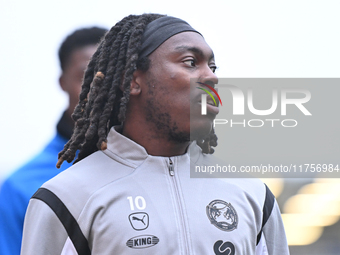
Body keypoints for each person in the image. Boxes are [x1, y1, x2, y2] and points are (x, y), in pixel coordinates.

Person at [21, 14, 289, 255]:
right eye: (191, 62)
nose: (210, 77)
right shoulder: (66, 199)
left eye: (213, 67)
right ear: (133, 80)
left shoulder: (252, 194)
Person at [0, 27, 107, 255]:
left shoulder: (158, 163)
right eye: (85, 77)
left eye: (109, 77)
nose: (98, 91)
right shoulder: (19, 187)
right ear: (63, 82)